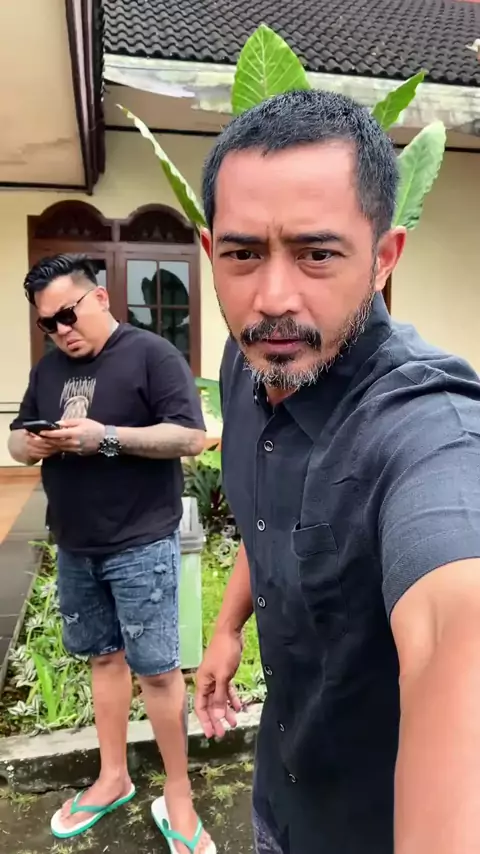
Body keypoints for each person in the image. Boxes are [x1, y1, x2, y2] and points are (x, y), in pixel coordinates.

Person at [194, 89, 480, 854]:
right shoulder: (249, 361)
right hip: (278, 802)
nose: (272, 299)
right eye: (243, 254)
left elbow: (454, 623)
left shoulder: (428, 425)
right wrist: (227, 626)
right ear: (210, 250)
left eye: (317, 254)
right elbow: (265, 518)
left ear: (384, 258)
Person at [8, 254, 215, 854]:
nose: (61, 330)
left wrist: (106, 438)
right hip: (76, 542)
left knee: (157, 671)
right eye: (48, 323)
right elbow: (17, 440)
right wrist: (30, 443)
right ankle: (113, 777)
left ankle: (178, 795)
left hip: (140, 541)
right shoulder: (47, 370)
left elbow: (190, 436)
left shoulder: (151, 354)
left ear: (99, 298)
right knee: (103, 660)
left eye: (68, 314)